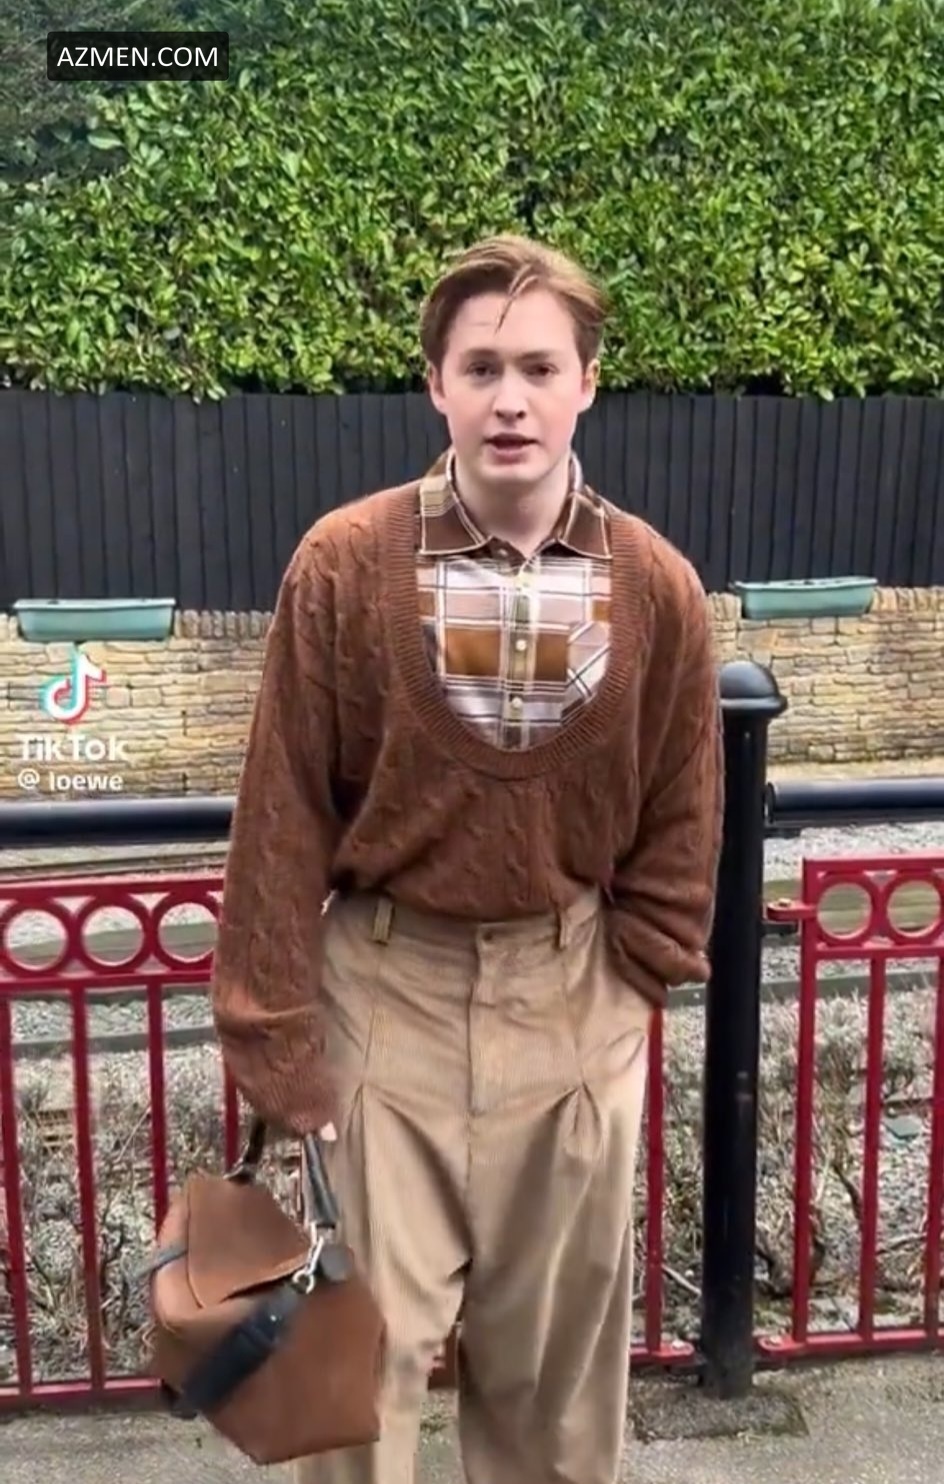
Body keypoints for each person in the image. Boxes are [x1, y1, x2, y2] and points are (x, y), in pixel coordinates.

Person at [210, 233, 723, 1484]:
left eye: (539, 367)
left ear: (585, 382)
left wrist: (636, 973)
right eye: (480, 367)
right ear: (434, 382)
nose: (510, 400)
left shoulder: (653, 587)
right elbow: (281, 809)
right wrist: (273, 1032)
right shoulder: (345, 565)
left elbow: (682, 800)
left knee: (553, 1382)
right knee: (356, 1380)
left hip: (571, 1002)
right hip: (385, 1003)